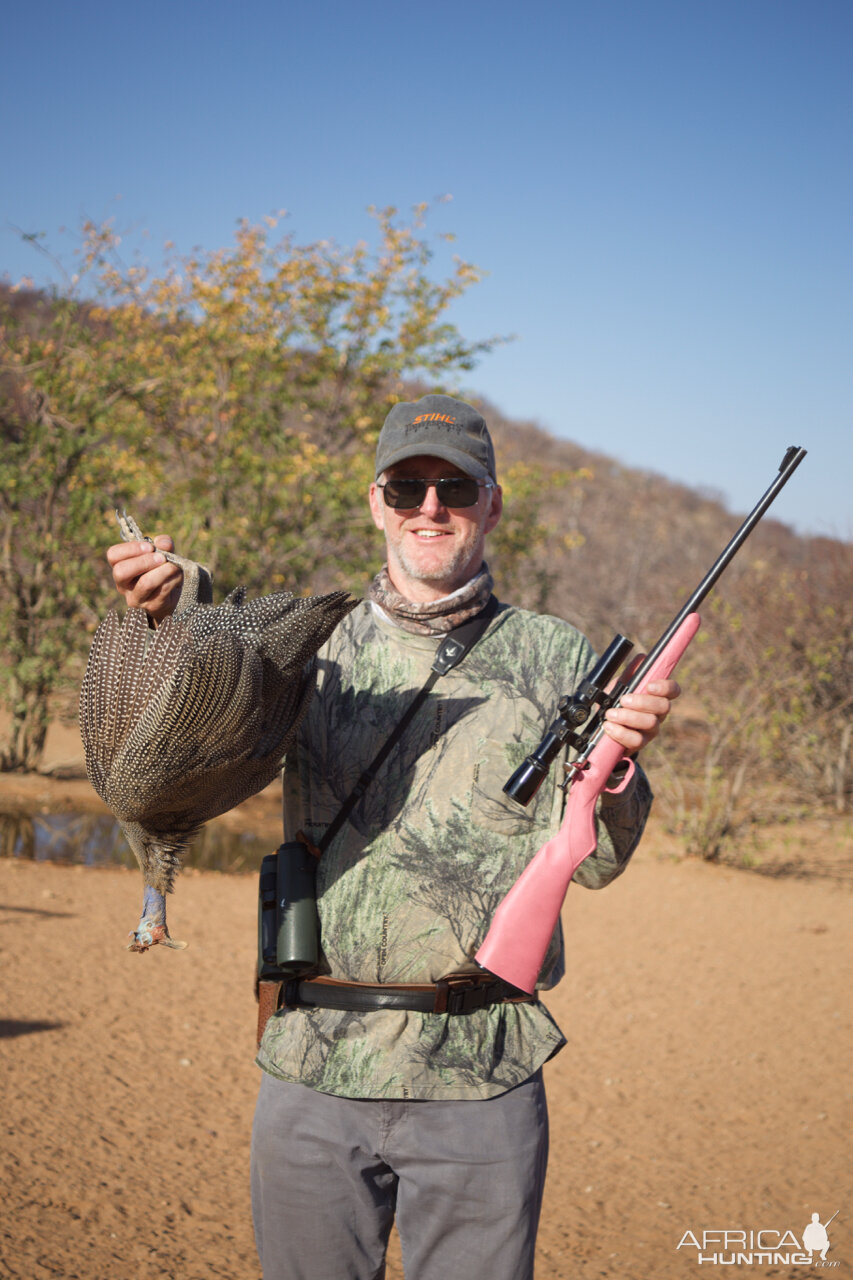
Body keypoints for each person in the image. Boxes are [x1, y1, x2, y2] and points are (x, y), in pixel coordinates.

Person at [107, 394, 680, 1280]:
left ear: (491, 504)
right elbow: (206, 693)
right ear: (375, 501)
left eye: (454, 486)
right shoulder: (309, 646)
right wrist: (171, 607)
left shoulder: (561, 660)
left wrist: (622, 765)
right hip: (309, 1069)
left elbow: (598, 861)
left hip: (480, 1080)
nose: (429, 507)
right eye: (406, 485)